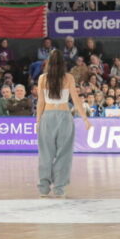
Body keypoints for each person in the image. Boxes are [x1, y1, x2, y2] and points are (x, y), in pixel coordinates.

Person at [36, 50, 91, 198]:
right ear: (63, 63)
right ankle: (59, 188)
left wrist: (38, 120)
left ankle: (44, 187)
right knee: (64, 154)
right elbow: (76, 99)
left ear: (48, 63)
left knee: (45, 153)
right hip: (64, 117)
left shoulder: (42, 78)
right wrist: (85, 118)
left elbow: (40, 101)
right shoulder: (68, 77)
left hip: (47, 116)